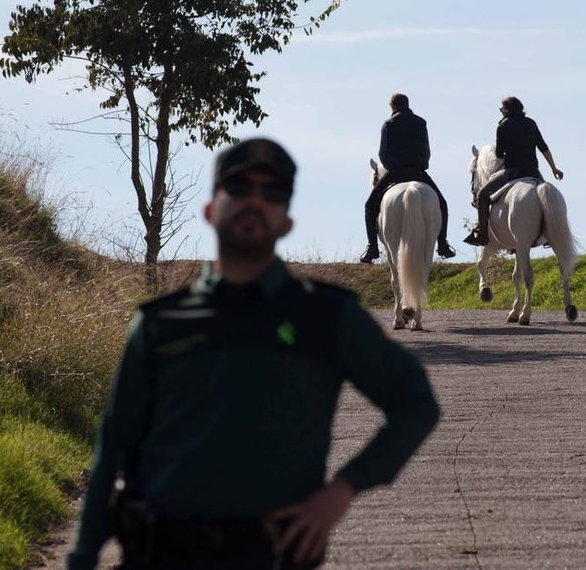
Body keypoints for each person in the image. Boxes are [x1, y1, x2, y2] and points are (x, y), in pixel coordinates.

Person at [68, 138, 441, 570]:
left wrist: (340, 493)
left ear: (286, 222)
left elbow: (416, 403)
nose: (255, 201)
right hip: (161, 554)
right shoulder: (160, 324)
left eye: (273, 193)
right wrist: (80, 558)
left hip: (270, 556)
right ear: (211, 210)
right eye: (239, 187)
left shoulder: (325, 317)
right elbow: (111, 449)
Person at [359, 93, 456, 263]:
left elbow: (384, 154)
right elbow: (426, 150)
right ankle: (443, 244)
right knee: (442, 203)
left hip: (396, 172)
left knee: (369, 206)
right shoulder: (421, 122)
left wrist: (391, 167)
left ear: (392, 106)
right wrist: (422, 165)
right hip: (418, 172)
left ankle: (372, 248)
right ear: (407, 104)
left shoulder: (388, 124)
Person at [463, 96, 563, 246]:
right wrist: (554, 168)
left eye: (501, 109)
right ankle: (551, 233)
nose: (501, 111)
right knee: (547, 196)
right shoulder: (531, 123)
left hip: (512, 172)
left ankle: (482, 234)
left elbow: (499, 155)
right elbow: (543, 147)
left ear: (507, 110)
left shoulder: (503, 126)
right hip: (533, 172)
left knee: (482, 195)